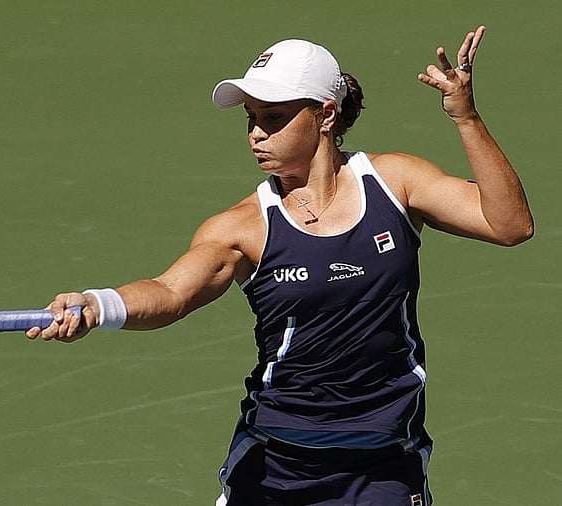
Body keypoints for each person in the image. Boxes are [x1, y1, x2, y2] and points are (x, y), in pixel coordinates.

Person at [26, 25, 533, 505]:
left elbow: (510, 225)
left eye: (272, 117)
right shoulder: (244, 227)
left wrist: (465, 117)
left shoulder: (396, 182)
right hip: (275, 466)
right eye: (250, 117)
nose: (254, 134)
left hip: (384, 466)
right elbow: (171, 292)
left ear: (326, 115)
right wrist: (97, 304)